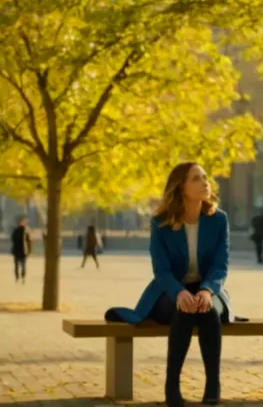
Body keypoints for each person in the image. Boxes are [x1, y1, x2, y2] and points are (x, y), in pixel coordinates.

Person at [104, 162, 229, 407]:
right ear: (181, 187)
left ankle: (213, 384)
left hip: (208, 289)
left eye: (205, 177)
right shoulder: (161, 222)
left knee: (208, 311)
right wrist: (179, 293)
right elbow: (161, 270)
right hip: (170, 290)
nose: (205, 182)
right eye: (196, 178)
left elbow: (220, 265)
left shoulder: (218, 219)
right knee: (184, 311)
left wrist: (206, 290)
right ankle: (172, 385)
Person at [10, 217, 31, 284]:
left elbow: (29, 241)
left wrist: (29, 250)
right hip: (17, 250)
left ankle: (23, 277)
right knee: (16, 265)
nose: (22, 223)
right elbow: (13, 239)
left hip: (24, 251)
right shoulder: (16, 230)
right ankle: (17, 277)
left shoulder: (26, 231)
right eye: (21, 222)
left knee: (23, 266)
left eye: (23, 222)